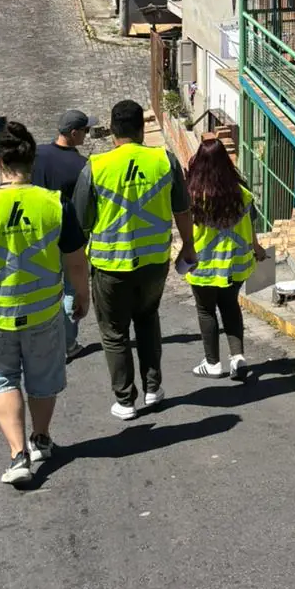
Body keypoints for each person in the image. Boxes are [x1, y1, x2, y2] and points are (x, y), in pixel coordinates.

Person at [0, 122, 90, 486]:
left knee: (2, 382)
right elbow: (76, 261)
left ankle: (18, 455)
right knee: (42, 381)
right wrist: (82, 296)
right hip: (44, 314)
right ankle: (41, 438)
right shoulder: (54, 205)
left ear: (0, 163)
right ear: (32, 162)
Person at [73, 99, 194, 421]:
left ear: (112, 131)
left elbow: (80, 223)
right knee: (148, 319)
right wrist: (189, 247)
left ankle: (126, 400)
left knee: (114, 333)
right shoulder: (164, 160)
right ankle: (153, 388)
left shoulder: (96, 167)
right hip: (154, 262)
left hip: (110, 266)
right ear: (143, 129)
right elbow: (182, 209)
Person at [184, 134, 266, 380]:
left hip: (203, 266)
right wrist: (258, 249)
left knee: (206, 311)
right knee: (230, 307)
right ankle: (238, 358)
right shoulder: (242, 194)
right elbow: (251, 230)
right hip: (236, 265)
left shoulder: (193, 195)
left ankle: (212, 363)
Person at [31, 108, 94, 359]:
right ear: (73, 133)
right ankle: (68, 344)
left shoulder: (36, 154)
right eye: (85, 131)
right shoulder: (81, 166)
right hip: (67, 237)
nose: (87, 135)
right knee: (71, 289)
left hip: (36, 234)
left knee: (43, 290)